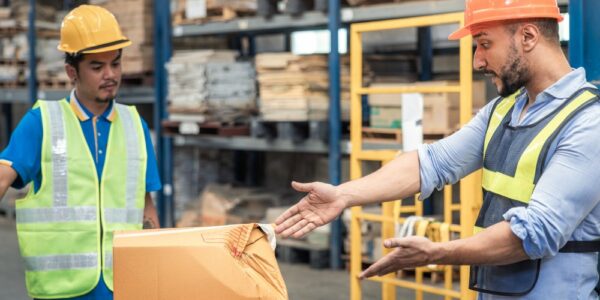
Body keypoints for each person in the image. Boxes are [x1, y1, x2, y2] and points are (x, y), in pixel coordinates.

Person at [275, 0, 600, 298]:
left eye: (485, 43)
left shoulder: (587, 123)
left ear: (528, 36)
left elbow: (536, 232)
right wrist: (345, 195)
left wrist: (438, 253)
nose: (478, 60)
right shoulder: (504, 111)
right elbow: (432, 162)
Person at [0, 5, 161, 300]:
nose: (110, 75)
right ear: (71, 71)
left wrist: (152, 276)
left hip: (120, 288)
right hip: (61, 292)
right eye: (97, 67)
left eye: (115, 64)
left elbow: (145, 206)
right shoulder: (42, 122)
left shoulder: (134, 124)